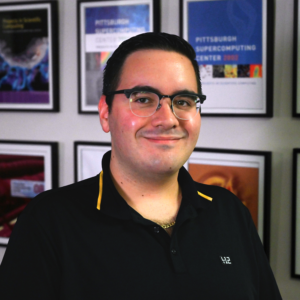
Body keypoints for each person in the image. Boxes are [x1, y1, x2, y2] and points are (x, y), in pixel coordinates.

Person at [0, 32, 282, 299]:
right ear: (105, 113)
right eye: (144, 99)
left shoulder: (230, 212)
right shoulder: (48, 222)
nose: (168, 119)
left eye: (183, 101)